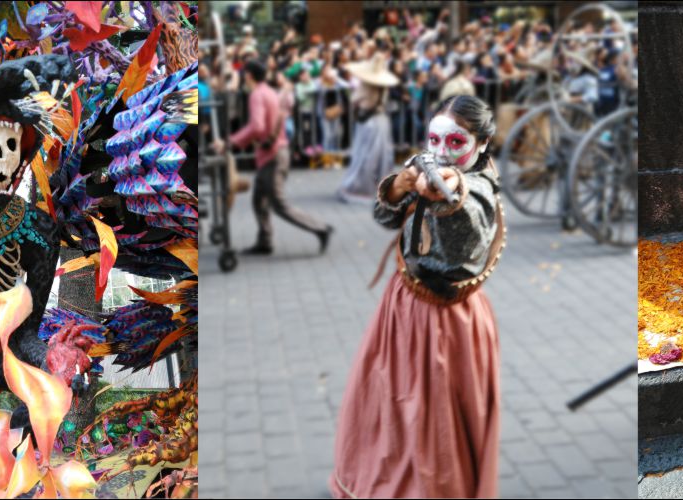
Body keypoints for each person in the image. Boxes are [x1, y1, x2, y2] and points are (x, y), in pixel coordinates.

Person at [329, 95, 505, 498]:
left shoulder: (477, 187)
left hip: (449, 325)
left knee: (436, 428)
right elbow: (385, 216)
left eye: (456, 143)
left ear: (481, 145)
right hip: (403, 309)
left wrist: (449, 193)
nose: (442, 152)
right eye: (434, 141)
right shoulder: (427, 165)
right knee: (389, 408)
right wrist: (402, 184)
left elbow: (466, 226)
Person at [214, 59, 333, 255]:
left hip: (273, 156)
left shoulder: (257, 95)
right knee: (258, 200)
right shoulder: (268, 91)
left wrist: (231, 142)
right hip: (274, 154)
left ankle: (321, 228)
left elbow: (257, 126)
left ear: (249, 75)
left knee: (279, 204)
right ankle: (265, 241)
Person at [337, 55, 398, 203]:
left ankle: (362, 187)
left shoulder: (365, 86)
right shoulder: (383, 87)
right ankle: (382, 186)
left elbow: (354, 100)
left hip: (369, 123)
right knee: (381, 156)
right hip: (381, 122)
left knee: (366, 155)